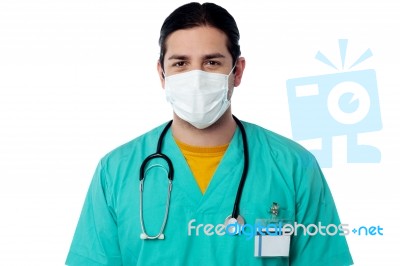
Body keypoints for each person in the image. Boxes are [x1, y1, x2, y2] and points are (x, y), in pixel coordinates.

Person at [66, 2, 353, 265]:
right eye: (180, 64)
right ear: (161, 74)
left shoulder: (293, 166)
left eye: (212, 63)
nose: (196, 77)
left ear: (237, 71)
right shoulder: (115, 171)